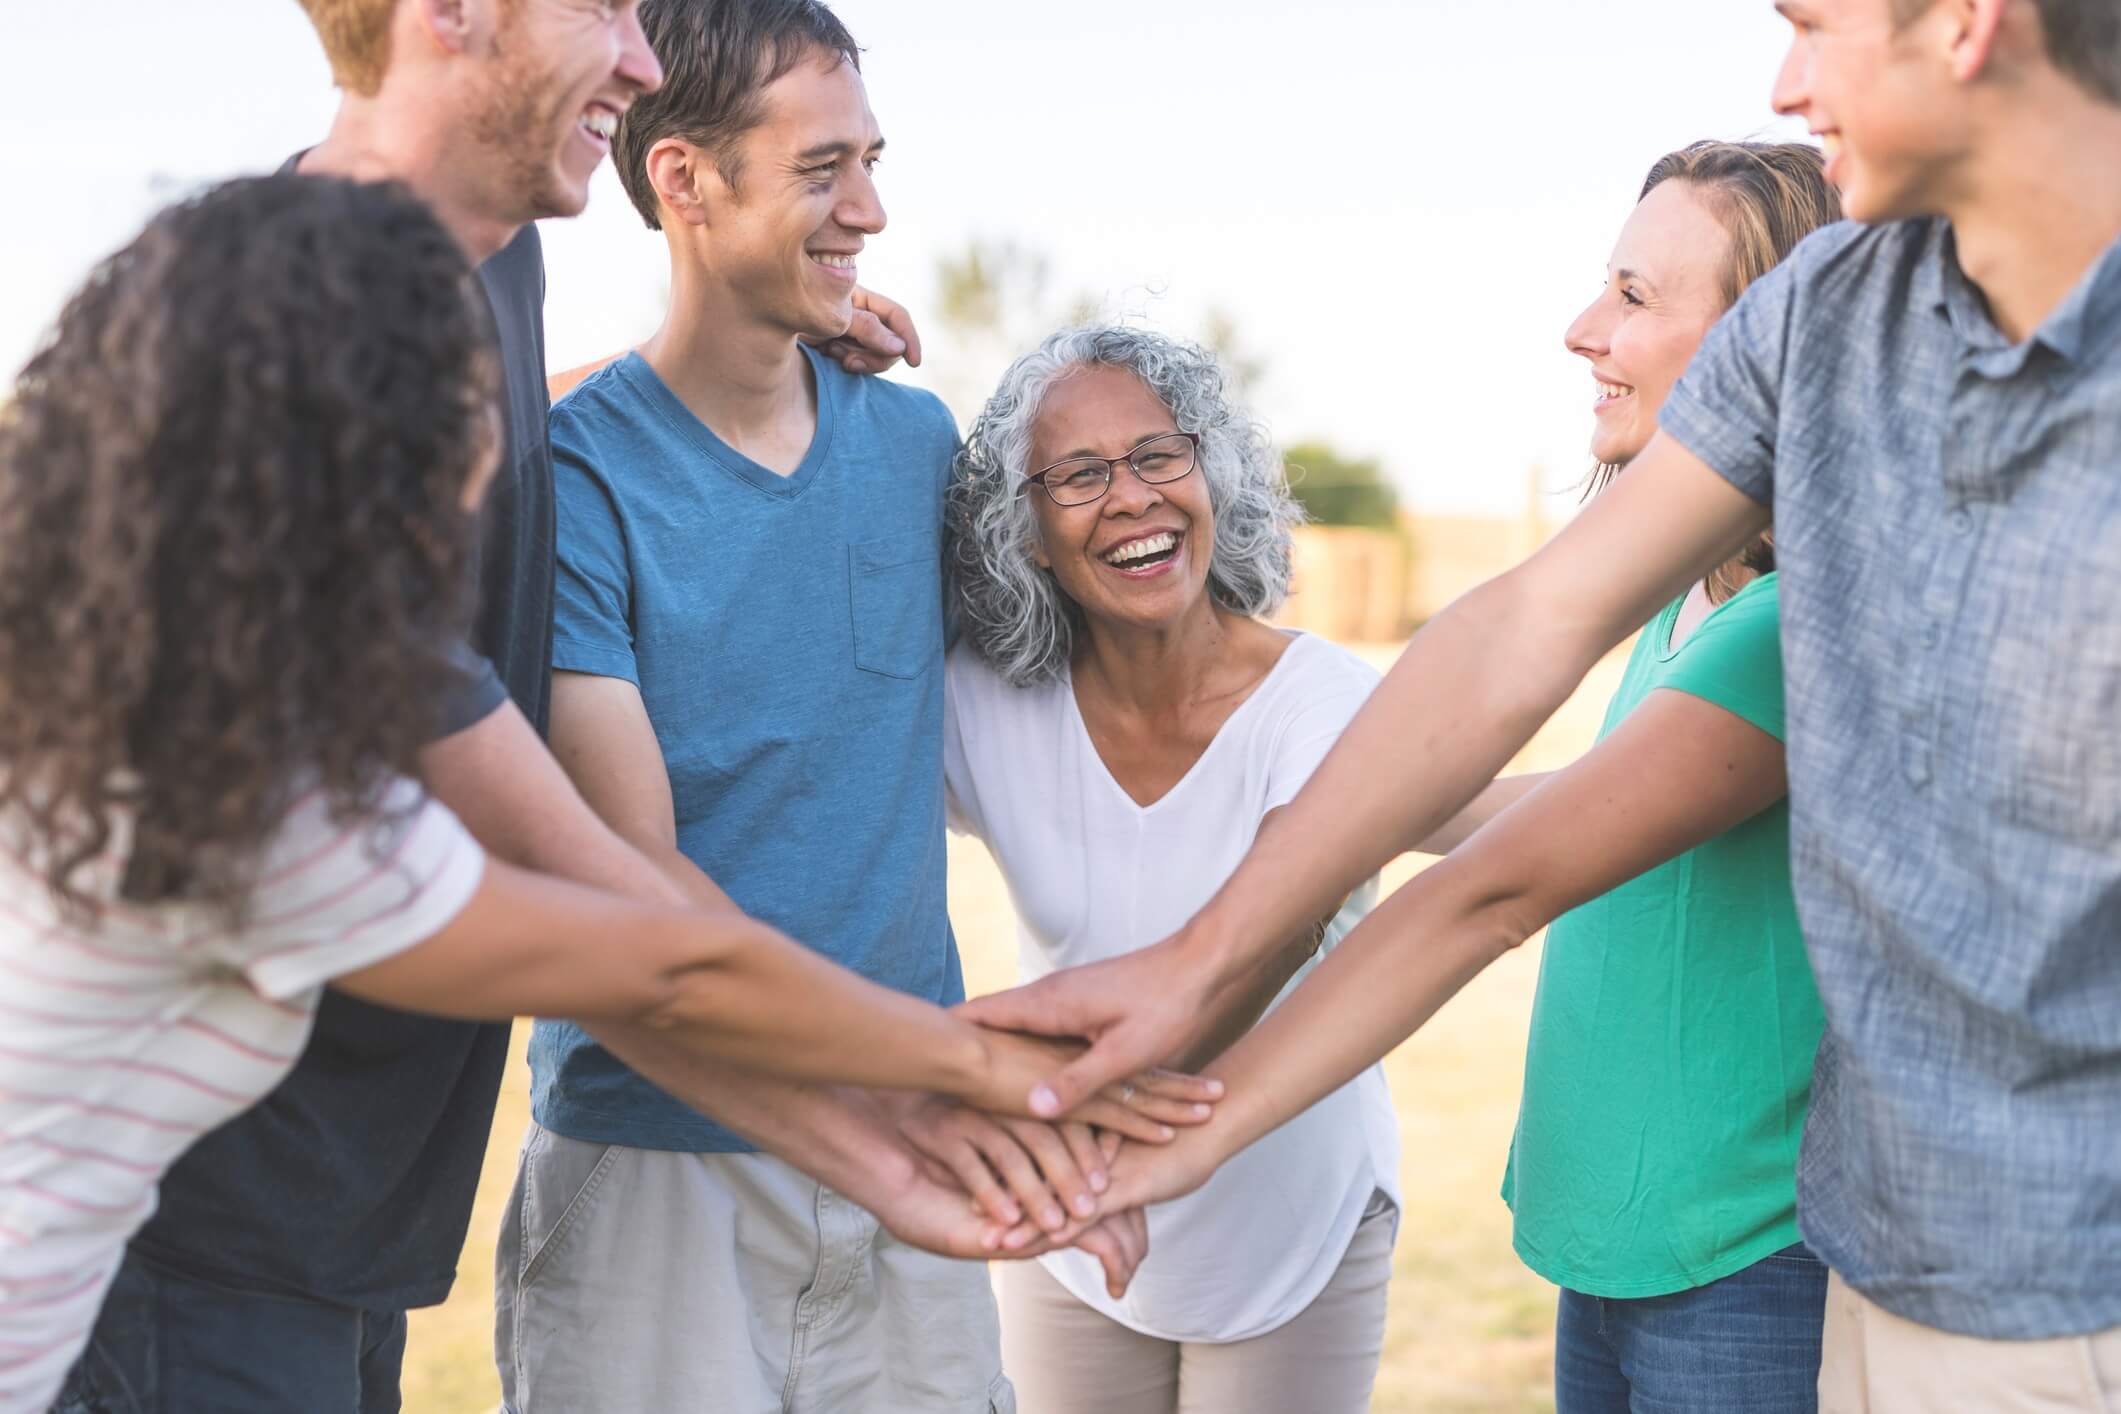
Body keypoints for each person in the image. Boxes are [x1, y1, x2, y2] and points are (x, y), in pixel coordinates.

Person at [976, 0, 2121, 1408]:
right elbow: (1526, 619)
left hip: (2052, 1268)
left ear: (1964, 24)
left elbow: (1503, 883)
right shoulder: (1833, 318)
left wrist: (1204, 1077)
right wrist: (1200, 952)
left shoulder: (1792, 599)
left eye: (1814, 24)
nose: (1785, 78)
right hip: (1883, 1243)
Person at [67, 3, 1156, 1411]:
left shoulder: (492, 264)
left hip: (349, 1211)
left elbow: (503, 432)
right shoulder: (295, 330)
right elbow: (633, 922)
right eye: (598, 8)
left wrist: (756, 337)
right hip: (209, 1212)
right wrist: (954, 1080)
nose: (636, 61)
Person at [988, 145, 1837, 1412]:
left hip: (1740, 1271)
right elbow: (1562, 796)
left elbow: (1494, 890)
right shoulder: (1689, 610)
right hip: (1616, 1254)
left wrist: (1187, 1115)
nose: (1582, 327)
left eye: (1636, 297)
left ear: (1766, 346)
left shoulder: (1787, 629)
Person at [492, 4, 1201, 1409]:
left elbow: (1127, 657)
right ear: (682, 180)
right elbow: (641, 884)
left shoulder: (916, 444)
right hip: (660, 1170)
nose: (870, 211)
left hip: (915, 1163)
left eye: (870, 160)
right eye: (823, 171)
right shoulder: (578, 481)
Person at [939, 325, 1402, 1414]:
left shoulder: (1318, 699)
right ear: (1028, 533)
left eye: (1159, 455)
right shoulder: (987, 702)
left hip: (1289, 1221)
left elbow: (1284, 921)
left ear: (1213, 474)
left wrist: (1078, 1129)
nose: (1134, 497)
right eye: (1080, 475)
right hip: (1065, 1232)